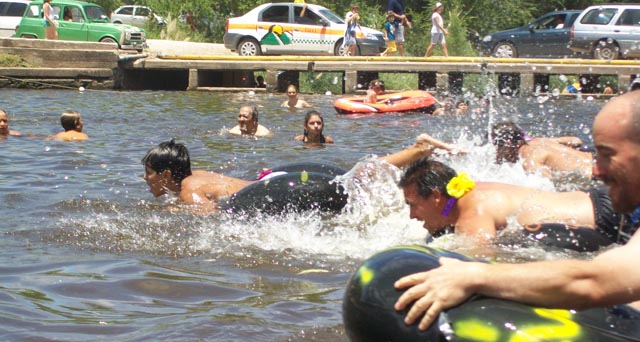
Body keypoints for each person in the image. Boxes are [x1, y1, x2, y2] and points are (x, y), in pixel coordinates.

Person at [393, 89, 640, 332]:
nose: (596, 171)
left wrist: (473, 275)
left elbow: (594, 282)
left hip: (602, 215)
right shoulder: (474, 192)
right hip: (599, 208)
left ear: (436, 197)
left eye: (608, 154)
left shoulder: (472, 210)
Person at [143, 135, 456, 212]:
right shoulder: (195, 175)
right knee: (350, 178)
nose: (146, 180)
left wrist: (177, 212)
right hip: (277, 181)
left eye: (149, 174)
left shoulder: (188, 189)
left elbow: (210, 217)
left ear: (167, 173)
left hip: (278, 190)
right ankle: (417, 151)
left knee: (346, 187)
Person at [398, 158, 597, 242]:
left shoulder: (472, 212)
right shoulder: (470, 191)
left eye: (413, 205)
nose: (411, 215)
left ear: (435, 196)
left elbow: (480, 266)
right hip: (592, 201)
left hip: (602, 219)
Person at [491, 121, 593, 179]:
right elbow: (577, 141)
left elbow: (547, 186)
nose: (495, 150)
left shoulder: (528, 159)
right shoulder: (539, 141)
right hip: (597, 160)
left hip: (596, 176)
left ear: (508, 145)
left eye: (495, 144)